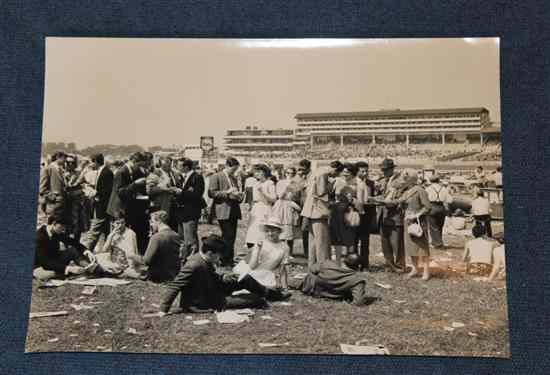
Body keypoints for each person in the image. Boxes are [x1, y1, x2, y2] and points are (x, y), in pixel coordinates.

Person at [159, 234, 290, 314]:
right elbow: (175, 285)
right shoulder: (193, 265)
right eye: (218, 256)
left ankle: (272, 294)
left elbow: (211, 277)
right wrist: (163, 309)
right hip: (207, 301)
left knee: (244, 278)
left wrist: (224, 277)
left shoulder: (204, 259)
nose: (219, 260)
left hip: (214, 289)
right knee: (255, 300)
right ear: (210, 253)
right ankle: (266, 295)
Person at [387, 170, 432, 280]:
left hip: (418, 222)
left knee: (422, 247)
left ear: (411, 179)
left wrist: (416, 214)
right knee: (411, 246)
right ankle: (415, 268)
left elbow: (428, 207)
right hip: (407, 221)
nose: (403, 180)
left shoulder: (420, 190)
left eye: (405, 178)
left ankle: (426, 271)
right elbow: (398, 201)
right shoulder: (407, 191)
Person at [301, 160, 343, 270]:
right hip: (318, 211)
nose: (335, 176)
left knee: (313, 242)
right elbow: (321, 193)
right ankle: (323, 268)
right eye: (337, 173)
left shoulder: (316, 172)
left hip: (311, 210)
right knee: (322, 242)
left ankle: (312, 267)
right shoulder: (323, 174)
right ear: (335, 169)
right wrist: (331, 200)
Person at [107, 151, 149, 254]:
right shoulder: (121, 172)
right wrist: (135, 184)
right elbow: (120, 192)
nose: (140, 168)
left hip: (127, 207)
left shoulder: (134, 171)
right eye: (139, 165)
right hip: (118, 209)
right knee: (118, 234)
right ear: (134, 161)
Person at [289, 254, 370, 306]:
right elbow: (359, 301)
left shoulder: (327, 264)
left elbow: (312, 269)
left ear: (344, 262)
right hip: (332, 296)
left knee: (287, 280)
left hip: (309, 288)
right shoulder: (357, 280)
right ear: (359, 267)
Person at [34, 215, 99, 280]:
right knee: (48, 275)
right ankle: (71, 273)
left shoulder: (56, 232)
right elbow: (45, 261)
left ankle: (91, 268)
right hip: (42, 265)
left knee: (72, 250)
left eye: (65, 227)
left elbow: (73, 242)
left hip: (55, 260)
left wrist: (86, 251)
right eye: (62, 226)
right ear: (54, 223)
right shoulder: (39, 237)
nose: (64, 230)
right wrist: (68, 268)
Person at [208, 157, 244, 267]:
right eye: (233, 169)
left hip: (234, 209)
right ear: (227, 166)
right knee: (228, 235)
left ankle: (228, 258)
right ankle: (225, 259)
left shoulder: (233, 178)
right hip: (223, 210)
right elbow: (212, 193)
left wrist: (239, 196)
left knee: (231, 236)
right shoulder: (216, 176)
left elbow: (237, 192)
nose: (235, 171)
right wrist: (227, 193)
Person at [128, 210, 182, 283]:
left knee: (126, 273)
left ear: (159, 222)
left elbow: (146, 261)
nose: (151, 225)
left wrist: (132, 256)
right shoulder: (176, 235)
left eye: (152, 222)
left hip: (158, 276)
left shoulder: (157, 237)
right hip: (173, 274)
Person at [235, 218, 289, 289]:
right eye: (267, 231)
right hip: (253, 271)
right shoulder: (261, 243)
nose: (270, 233)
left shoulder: (284, 247)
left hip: (267, 275)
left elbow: (282, 268)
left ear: (279, 231)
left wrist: (285, 286)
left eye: (273, 231)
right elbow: (252, 266)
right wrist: (257, 249)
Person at [375, 158, 405, 272]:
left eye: (386, 170)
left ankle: (399, 266)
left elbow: (400, 199)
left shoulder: (400, 181)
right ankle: (389, 264)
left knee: (396, 243)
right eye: (383, 170)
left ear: (392, 169)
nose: (384, 172)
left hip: (395, 216)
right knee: (385, 242)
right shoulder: (383, 181)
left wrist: (385, 201)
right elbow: (382, 195)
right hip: (384, 215)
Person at [80, 153, 114, 253]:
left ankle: (85, 252)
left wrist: (95, 193)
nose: (91, 164)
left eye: (91, 162)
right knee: (104, 231)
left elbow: (107, 191)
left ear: (95, 161)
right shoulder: (102, 171)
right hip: (100, 206)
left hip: (102, 207)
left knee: (94, 231)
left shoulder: (106, 172)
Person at [173, 157, 206, 257]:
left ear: (186, 167)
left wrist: (181, 192)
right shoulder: (183, 177)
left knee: (190, 238)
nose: (177, 167)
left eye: (179, 165)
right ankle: (185, 257)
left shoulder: (197, 177)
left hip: (191, 212)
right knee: (183, 237)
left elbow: (197, 194)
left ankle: (193, 258)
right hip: (182, 212)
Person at [330, 163, 359, 266]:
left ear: (353, 173)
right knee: (337, 239)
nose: (345, 174)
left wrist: (353, 200)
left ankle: (349, 262)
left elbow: (360, 202)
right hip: (337, 213)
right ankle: (338, 262)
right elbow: (331, 195)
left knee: (349, 239)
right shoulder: (337, 182)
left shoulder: (356, 184)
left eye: (348, 172)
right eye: (344, 171)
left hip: (347, 213)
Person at [272, 166, 302, 256]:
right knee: (280, 229)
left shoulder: (296, 184)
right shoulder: (280, 183)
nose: (290, 175)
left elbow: (297, 197)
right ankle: (279, 252)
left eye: (292, 173)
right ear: (285, 174)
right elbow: (280, 196)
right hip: (281, 206)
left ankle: (289, 253)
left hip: (290, 206)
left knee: (290, 231)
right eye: (288, 173)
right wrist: (287, 187)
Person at [245, 164, 277, 248]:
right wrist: (250, 206)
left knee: (262, 232)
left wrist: (263, 192)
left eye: (259, 172)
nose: (256, 174)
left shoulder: (270, 183)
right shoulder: (256, 183)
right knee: (252, 234)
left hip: (265, 209)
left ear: (265, 172)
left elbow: (273, 199)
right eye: (256, 172)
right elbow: (254, 198)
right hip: (256, 209)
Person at [146, 156, 181, 226]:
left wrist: (177, 190)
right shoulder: (155, 173)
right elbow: (149, 190)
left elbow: (178, 185)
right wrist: (165, 189)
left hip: (174, 206)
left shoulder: (175, 173)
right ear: (161, 164)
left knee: (174, 227)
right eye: (165, 164)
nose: (168, 166)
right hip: (162, 205)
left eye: (169, 163)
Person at [355, 161, 376, 271]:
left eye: (366, 171)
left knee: (365, 241)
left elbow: (373, 197)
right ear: (357, 171)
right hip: (354, 214)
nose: (365, 173)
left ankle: (365, 265)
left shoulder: (371, 183)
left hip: (367, 214)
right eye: (362, 171)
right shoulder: (353, 182)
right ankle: (353, 264)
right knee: (354, 241)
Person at [425, 174, 453, 249]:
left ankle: (437, 243)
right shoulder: (444, 188)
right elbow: (450, 200)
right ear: (438, 180)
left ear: (430, 181)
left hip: (432, 207)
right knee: (440, 226)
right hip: (441, 207)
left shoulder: (428, 189)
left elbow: (425, 199)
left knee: (433, 226)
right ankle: (438, 241)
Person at [39, 151, 67, 220]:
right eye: (64, 158)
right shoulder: (48, 169)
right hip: (53, 204)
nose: (65, 160)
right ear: (58, 157)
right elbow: (42, 189)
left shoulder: (61, 169)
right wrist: (53, 197)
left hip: (60, 204)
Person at [295, 159, 311, 258]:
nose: (300, 171)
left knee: (308, 230)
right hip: (301, 207)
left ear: (308, 168)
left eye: (302, 169)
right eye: (299, 169)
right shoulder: (300, 178)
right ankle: (306, 252)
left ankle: (310, 252)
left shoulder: (312, 178)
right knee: (304, 231)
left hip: (309, 207)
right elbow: (293, 190)